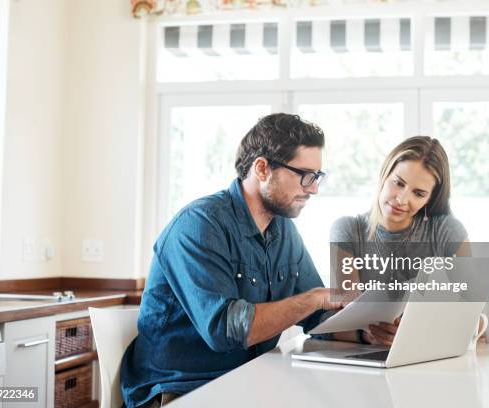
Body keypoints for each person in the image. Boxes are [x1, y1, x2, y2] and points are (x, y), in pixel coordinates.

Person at [120, 113, 349, 408]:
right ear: (262, 168)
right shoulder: (199, 224)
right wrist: (317, 298)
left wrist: (366, 328)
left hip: (247, 383)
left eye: (317, 176)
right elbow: (225, 330)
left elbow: (317, 316)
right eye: (304, 175)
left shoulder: (283, 231)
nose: (313, 188)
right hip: (179, 391)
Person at [330, 136, 469, 347]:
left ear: (429, 199)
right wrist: (369, 335)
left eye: (419, 193)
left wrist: (419, 331)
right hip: (367, 357)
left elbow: (473, 316)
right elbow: (346, 317)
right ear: (384, 175)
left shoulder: (447, 231)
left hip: (428, 355)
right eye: (398, 183)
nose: (402, 200)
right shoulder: (347, 231)